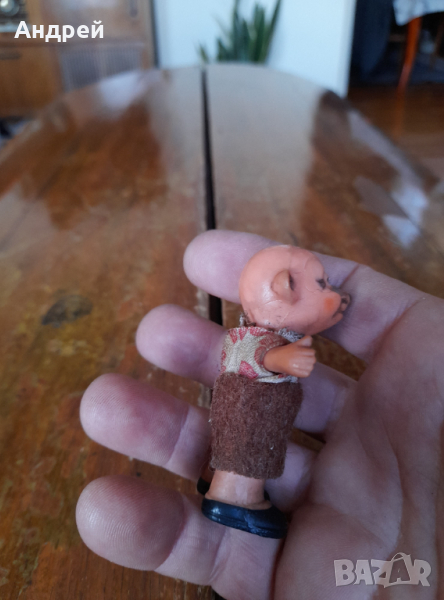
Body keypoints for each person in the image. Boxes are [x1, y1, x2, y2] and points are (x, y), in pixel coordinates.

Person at [76, 230, 443, 599]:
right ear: (284, 289)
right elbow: (257, 357)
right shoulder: (259, 339)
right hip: (252, 413)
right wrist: (283, 359)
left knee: (233, 450)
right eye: (320, 285)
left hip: (253, 408)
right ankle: (236, 500)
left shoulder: (260, 332)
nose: (332, 294)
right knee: (247, 459)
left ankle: (212, 477)